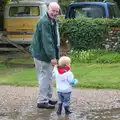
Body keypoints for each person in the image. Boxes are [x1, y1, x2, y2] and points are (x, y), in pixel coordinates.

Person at [29, 2, 60, 109]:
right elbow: (47, 41)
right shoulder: (45, 22)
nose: (55, 13)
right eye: (53, 10)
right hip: (42, 54)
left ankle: (48, 98)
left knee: (48, 76)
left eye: (57, 11)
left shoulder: (52, 21)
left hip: (44, 53)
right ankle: (42, 101)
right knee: (44, 77)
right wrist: (53, 57)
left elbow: (54, 39)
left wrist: (55, 55)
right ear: (48, 9)